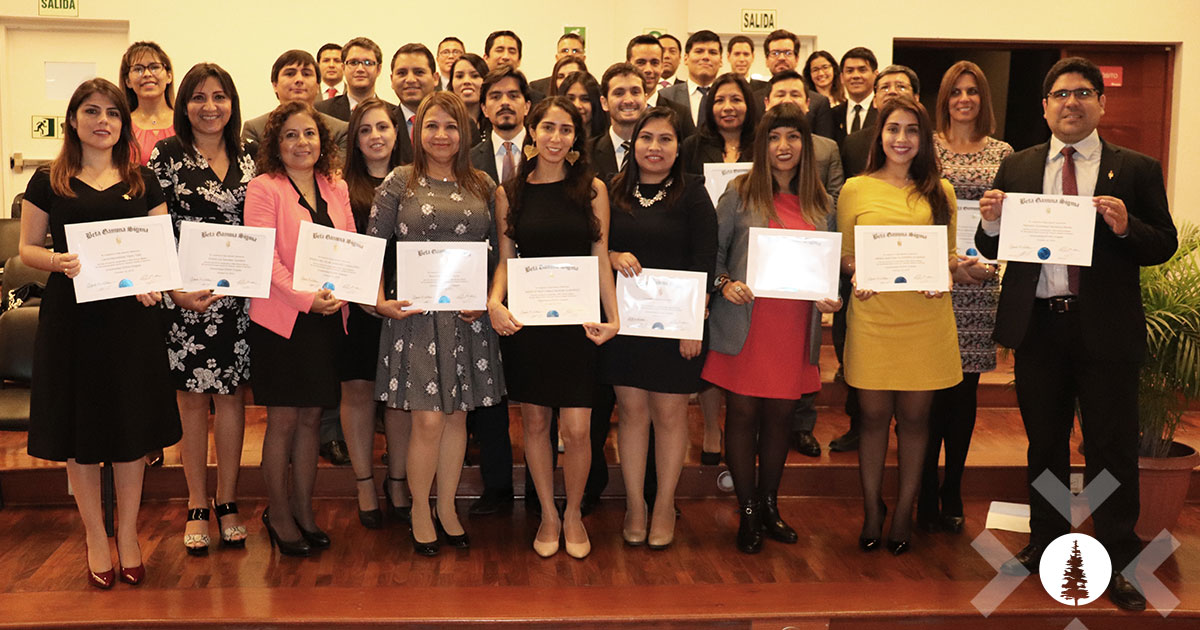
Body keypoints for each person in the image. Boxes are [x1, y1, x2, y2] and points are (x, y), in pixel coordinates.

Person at [977, 57, 1177, 611]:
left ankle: (1117, 557)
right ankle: (1046, 540)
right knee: (1044, 443)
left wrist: (1127, 226)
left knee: (1112, 447)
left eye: (1084, 93)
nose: (1072, 102)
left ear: (1101, 104)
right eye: (1061, 94)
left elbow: (1163, 242)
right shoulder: (1017, 166)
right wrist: (990, 221)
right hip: (1039, 326)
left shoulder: (1136, 168)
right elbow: (991, 246)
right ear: (1044, 107)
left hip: (1105, 331)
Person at [20, 78, 182, 588]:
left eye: (112, 113)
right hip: (72, 321)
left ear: (123, 123)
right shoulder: (48, 180)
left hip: (132, 323)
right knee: (81, 431)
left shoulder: (142, 179)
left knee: (132, 430)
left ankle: (128, 532)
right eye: (91, 111)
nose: (103, 121)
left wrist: (154, 281)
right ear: (73, 120)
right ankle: (95, 534)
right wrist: (56, 260)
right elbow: (27, 249)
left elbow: (161, 252)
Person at [368, 91, 506, 555]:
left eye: (451, 126)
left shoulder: (483, 184)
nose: (441, 135)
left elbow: (501, 255)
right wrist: (379, 302)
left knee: (457, 418)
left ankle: (447, 507)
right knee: (427, 421)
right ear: (417, 131)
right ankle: (420, 510)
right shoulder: (398, 182)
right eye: (432, 125)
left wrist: (489, 300)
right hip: (415, 320)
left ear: (464, 133)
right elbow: (373, 248)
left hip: (468, 320)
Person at [703, 103, 841, 554]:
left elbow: (828, 268)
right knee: (743, 417)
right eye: (775, 137)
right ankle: (747, 511)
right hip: (747, 324)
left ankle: (768, 505)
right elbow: (713, 254)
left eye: (793, 137)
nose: (784, 146)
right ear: (762, 144)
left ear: (806, 145)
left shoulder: (822, 203)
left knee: (781, 419)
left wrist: (831, 296)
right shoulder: (740, 193)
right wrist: (725, 284)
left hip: (793, 328)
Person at [487, 97, 620, 559]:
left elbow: (600, 258)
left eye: (565, 129)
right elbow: (507, 260)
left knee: (579, 429)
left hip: (578, 325)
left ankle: (574, 512)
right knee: (536, 422)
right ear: (532, 131)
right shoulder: (510, 193)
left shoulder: (593, 189)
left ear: (576, 137)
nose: (556, 138)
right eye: (548, 127)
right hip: (531, 324)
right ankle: (547, 513)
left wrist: (614, 317)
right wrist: (493, 301)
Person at [838, 94, 962, 556]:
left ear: (924, 139)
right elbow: (845, 255)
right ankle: (873, 508)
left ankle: (905, 510)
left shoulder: (941, 191)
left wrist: (945, 274)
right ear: (880, 135)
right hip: (873, 318)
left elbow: (948, 256)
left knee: (914, 419)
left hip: (925, 321)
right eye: (893, 129)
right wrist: (858, 270)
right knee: (871, 418)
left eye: (912, 130)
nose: (902, 138)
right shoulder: (855, 189)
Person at [148, 63, 256, 556]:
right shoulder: (166, 154)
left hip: (239, 299)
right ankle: (196, 502)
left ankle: (227, 500)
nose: (210, 106)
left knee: (231, 398)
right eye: (198, 97)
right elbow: (155, 228)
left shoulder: (251, 155)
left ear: (232, 103)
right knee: (191, 400)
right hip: (185, 298)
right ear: (184, 104)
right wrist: (173, 291)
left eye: (219, 96)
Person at [603, 106, 716, 549]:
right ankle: (635, 505)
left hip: (676, 327)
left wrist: (693, 326)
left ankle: (665, 504)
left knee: (669, 416)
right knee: (631, 415)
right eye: (647, 138)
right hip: (626, 326)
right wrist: (612, 256)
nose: (655, 147)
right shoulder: (613, 190)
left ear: (678, 147)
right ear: (634, 145)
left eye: (665, 139)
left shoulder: (694, 193)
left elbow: (704, 261)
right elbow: (595, 245)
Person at [245, 101, 354, 557]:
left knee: (312, 419)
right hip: (282, 322)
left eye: (309, 133)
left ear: (321, 141)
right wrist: (306, 299)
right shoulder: (263, 188)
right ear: (276, 143)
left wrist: (341, 293)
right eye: (290, 135)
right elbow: (265, 258)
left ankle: (305, 511)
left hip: (327, 320)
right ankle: (279, 513)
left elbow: (349, 247)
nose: (301, 142)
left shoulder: (336, 186)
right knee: (285, 421)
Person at [918, 61, 1012, 535]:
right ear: (944, 99)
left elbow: (1010, 221)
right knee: (927, 394)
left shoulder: (1003, 153)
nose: (964, 99)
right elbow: (915, 213)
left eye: (972, 91)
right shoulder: (926, 147)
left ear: (983, 99)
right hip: (931, 283)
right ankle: (922, 488)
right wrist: (947, 263)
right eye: (955, 91)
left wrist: (988, 266)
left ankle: (952, 486)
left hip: (979, 285)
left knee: (963, 394)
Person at [762, 69, 846, 458]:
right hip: (764, 289)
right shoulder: (752, 172)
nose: (788, 100)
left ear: (808, 103)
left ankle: (802, 426)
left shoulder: (826, 150)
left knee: (804, 359)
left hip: (807, 276)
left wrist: (826, 282)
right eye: (780, 94)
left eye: (795, 94)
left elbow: (832, 207)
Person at [465, 66, 533, 517]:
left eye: (513, 95)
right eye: (496, 96)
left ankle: (545, 488)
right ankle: (497, 487)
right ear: (484, 107)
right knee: (488, 393)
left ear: (527, 104)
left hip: (545, 291)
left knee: (540, 396)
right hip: (483, 289)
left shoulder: (553, 150)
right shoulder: (465, 158)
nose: (505, 102)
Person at [339, 97, 404, 529]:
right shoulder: (339, 186)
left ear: (398, 133)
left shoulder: (415, 181)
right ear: (354, 140)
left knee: (400, 399)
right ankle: (364, 483)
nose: (375, 136)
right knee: (358, 393)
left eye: (382, 127)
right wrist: (363, 295)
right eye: (365, 130)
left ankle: (397, 482)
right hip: (357, 304)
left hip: (406, 304)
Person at [242, 50, 349, 159]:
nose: (299, 80)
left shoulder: (340, 130)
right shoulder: (255, 129)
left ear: (318, 86)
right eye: (290, 74)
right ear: (275, 85)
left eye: (306, 74)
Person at [755, 30, 834, 139]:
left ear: (797, 59)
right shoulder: (754, 100)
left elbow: (825, 144)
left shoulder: (819, 102)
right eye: (775, 53)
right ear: (767, 60)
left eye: (788, 53)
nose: (781, 58)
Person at [680, 73, 757, 175]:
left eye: (736, 100)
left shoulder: (763, 144)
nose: (727, 107)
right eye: (719, 100)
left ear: (748, 104)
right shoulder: (692, 146)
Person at [626, 35, 695, 137]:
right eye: (641, 63)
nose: (648, 70)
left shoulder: (680, 113)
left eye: (654, 63)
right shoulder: (615, 109)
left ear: (662, 66)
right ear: (628, 65)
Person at [120, 41, 175, 166]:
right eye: (138, 69)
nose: (147, 74)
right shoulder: (121, 125)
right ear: (128, 81)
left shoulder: (186, 122)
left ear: (169, 76)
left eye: (154, 67)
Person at [316, 37, 394, 122]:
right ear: (343, 68)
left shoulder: (393, 113)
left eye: (368, 63)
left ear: (378, 69)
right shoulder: (321, 111)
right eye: (353, 63)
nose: (360, 69)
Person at [593, 63, 648, 182]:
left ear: (646, 99)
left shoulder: (658, 152)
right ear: (604, 103)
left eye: (635, 92)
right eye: (619, 93)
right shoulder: (587, 154)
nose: (628, 100)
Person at [657, 31, 722, 129]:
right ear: (686, 58)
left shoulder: (728, 98)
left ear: (721, 60)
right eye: (699, 51)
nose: (706, 57)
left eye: (712, 52)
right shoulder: (665, 96)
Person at [390, 43, 438, 142]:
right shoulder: (382, 125)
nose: (410, 80)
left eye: (419, 72)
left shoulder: (458, 123)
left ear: (435, 78)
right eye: (402, 73)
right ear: (392, 80)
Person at [832, 47, 878, 145]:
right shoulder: (832, 115)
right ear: (842, 78)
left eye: (862, 70)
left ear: (875, 75)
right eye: (850, 71)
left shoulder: (883, 112)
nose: (855, 76)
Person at [449, 53, 491, 146]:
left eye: (475, 76)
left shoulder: (495, 122)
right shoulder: (443, 123)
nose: (466, 81)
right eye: (459, 76)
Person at [558, 71, 608, 140]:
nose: (577, 105)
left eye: (585, 99)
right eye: (571, 99)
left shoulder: (608, 142)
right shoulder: (553, 141)